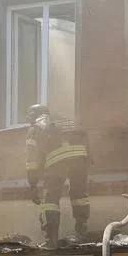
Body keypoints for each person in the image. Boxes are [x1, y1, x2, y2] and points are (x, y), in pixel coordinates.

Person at [24, 103, 90, 246]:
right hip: (81, 160)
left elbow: (32, 161)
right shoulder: (66, 121)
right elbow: (84, 136)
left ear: (33, 117)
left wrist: (33, 184)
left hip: (58, 161)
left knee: (50, 200)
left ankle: (51, 239)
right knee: (79, 196)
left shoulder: (35, 128)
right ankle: (81, 233)